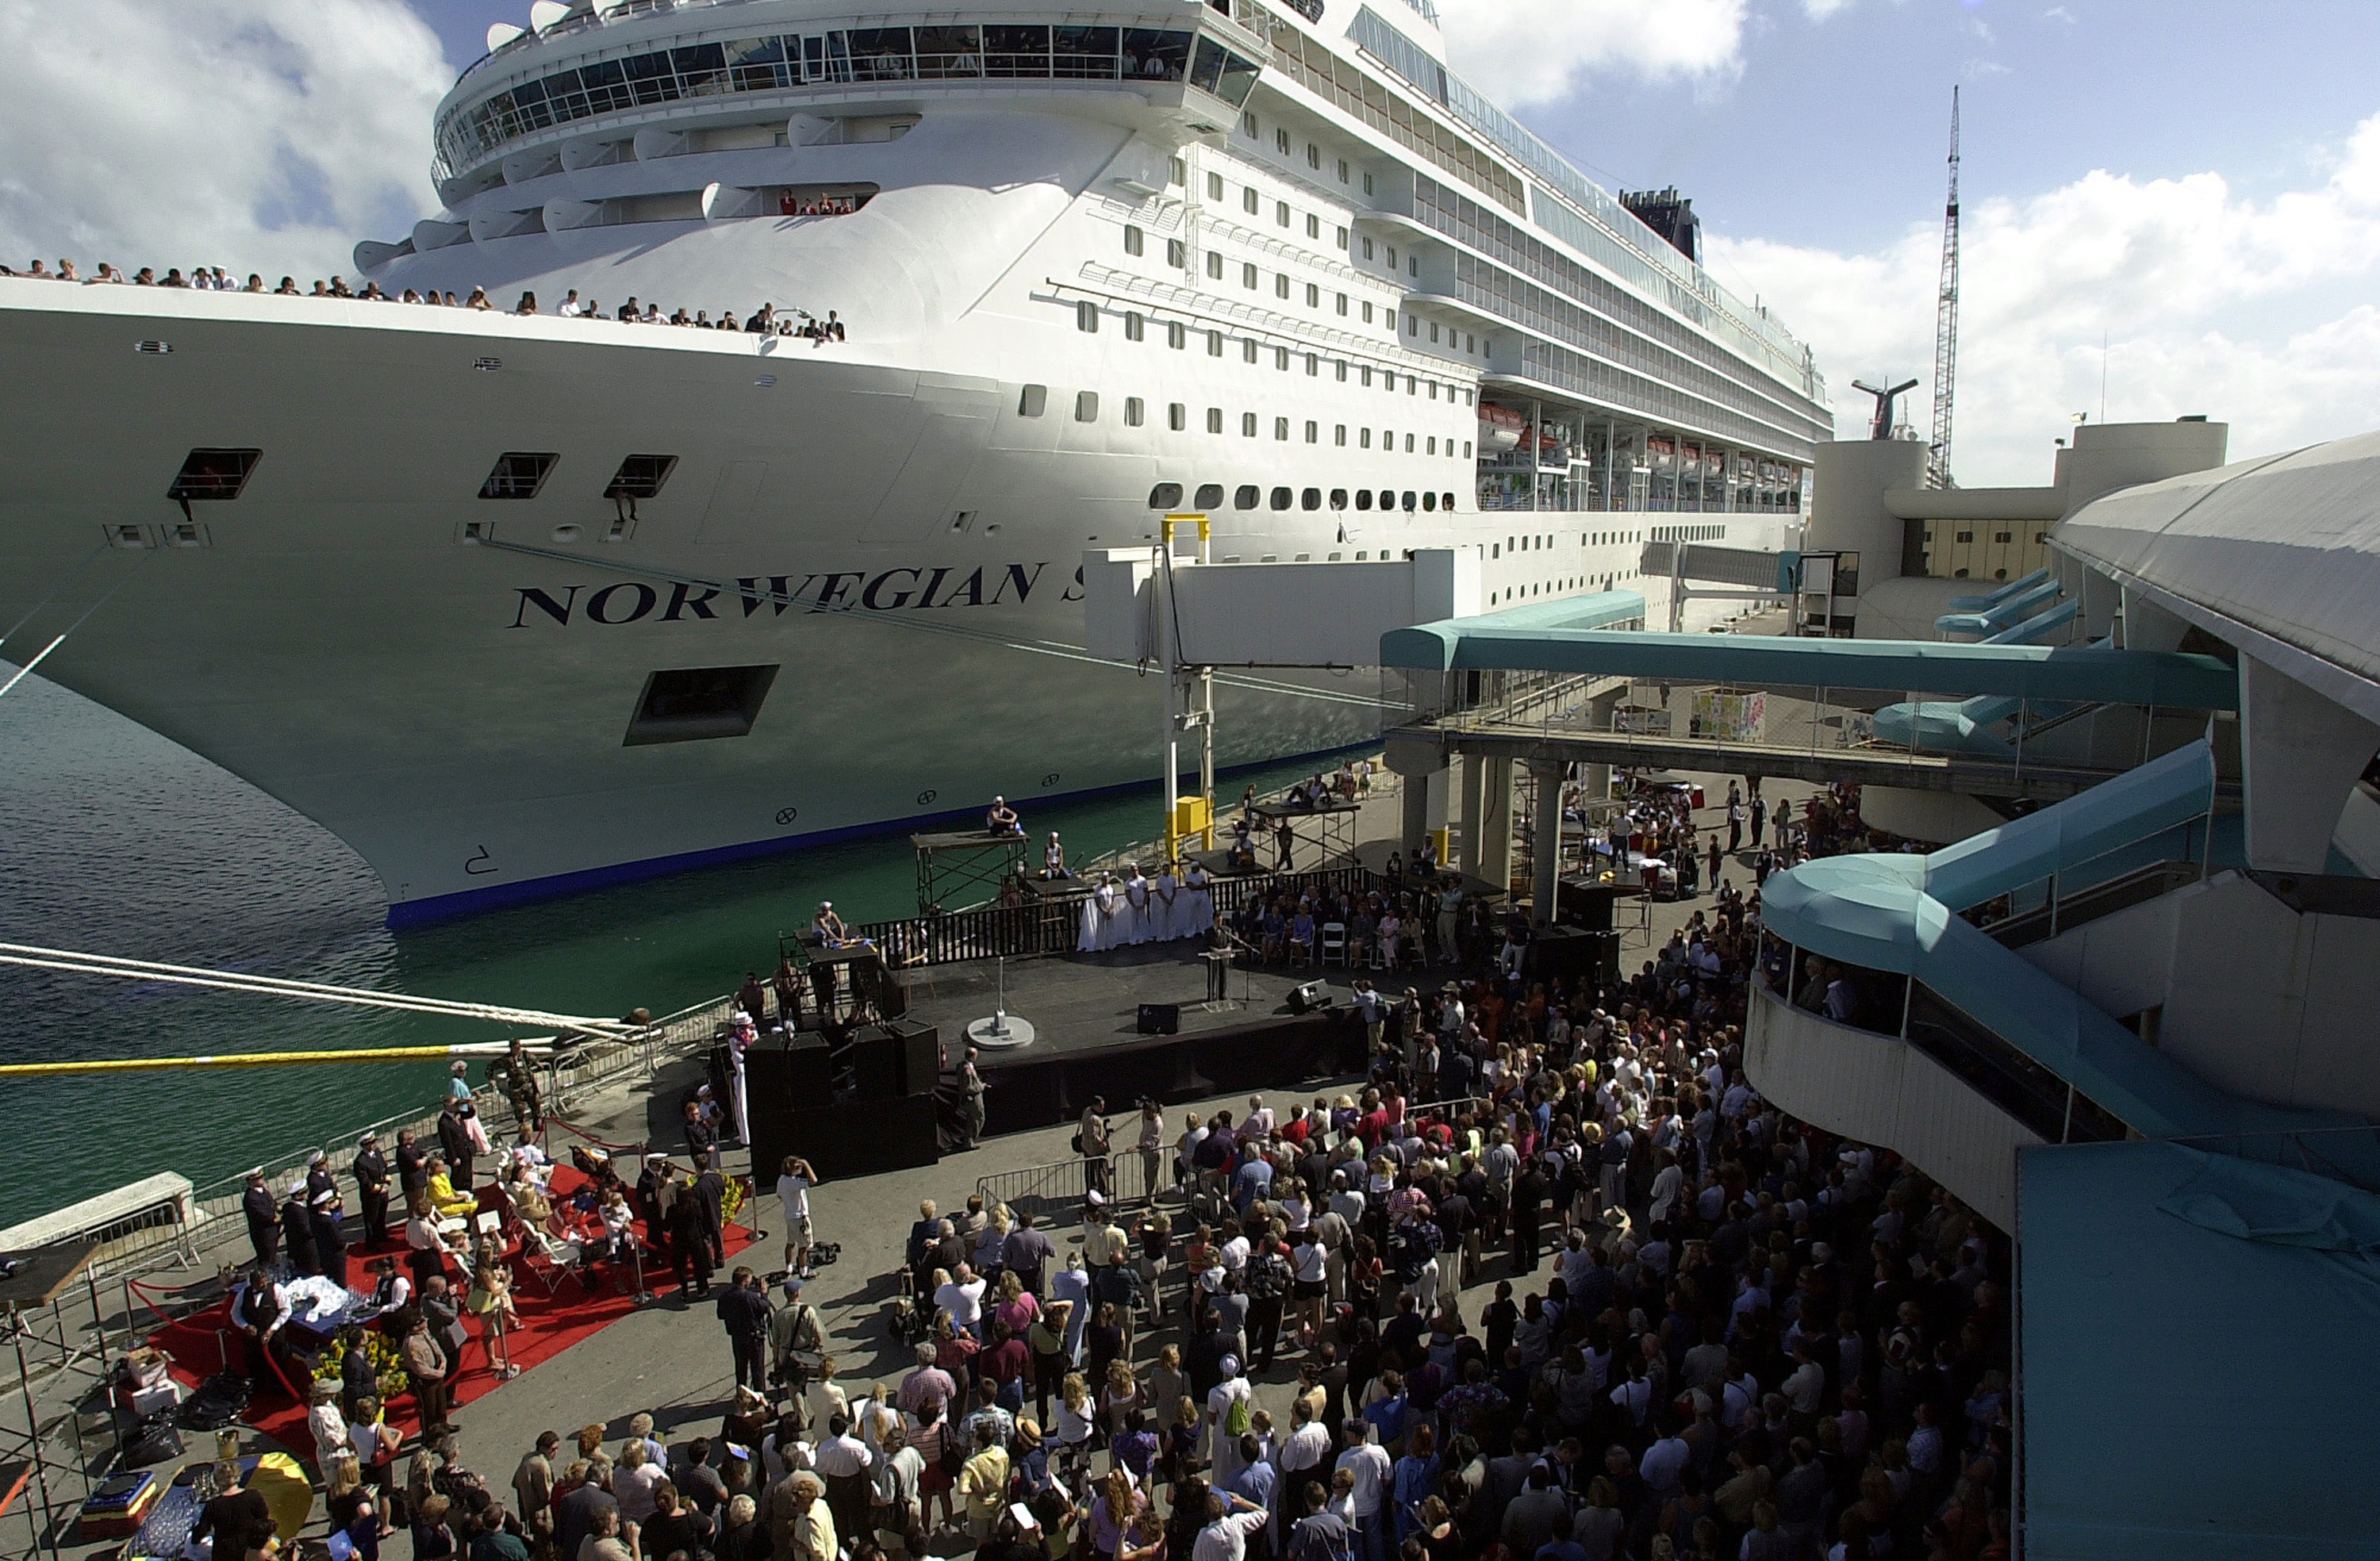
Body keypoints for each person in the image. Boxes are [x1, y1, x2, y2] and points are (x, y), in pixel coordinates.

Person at [718, 1266, 774, 1393]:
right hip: (754, 1337)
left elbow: (721, 1314)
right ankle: (759, 1396)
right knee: (757, 1369)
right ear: (744, 1280)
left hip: (737, 1337)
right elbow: (764, 1308)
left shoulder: (725, 1297)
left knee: (741, 1368)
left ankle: (742, 1395)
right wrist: (764, 1294)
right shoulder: (749, 1296)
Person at [778, 1155, 820, 1275]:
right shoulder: (794, 1182)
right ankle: (803, 1271)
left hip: (789, 1216)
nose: (800, 1167)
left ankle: (788, 1267)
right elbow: (814, 1180)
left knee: (790, 1242)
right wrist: (807, 1164)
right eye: (798, 1166)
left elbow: (779, 1195)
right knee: (803, 1246)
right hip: (799, 1218)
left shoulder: (782, 1180)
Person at [354, 1133, 393, 1248]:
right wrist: (377, 1188)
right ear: (365, 1145)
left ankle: (382, 1235)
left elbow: (383, 1167)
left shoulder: (377, 1153)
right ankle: (372, 1243)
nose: (374, 1144)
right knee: (372, 1220)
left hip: (383, 1191)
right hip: (371, 1195)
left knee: (382, 1215)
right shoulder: (360, 1161)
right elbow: (364, 1180)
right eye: (371, 1143)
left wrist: (386, 1177)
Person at [241, 1168, 279, 1269]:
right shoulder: (251, 1198)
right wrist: (278, 1219)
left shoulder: (263, 1191)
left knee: (273, 1255)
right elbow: (263, 1215)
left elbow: (272, 1204)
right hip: (263, 1235)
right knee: (267, 1259)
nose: (262, 1179)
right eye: (258, 1178)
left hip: (272, 1231)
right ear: (251, 1181)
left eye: (262, 1177)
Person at [1081, 1097, 1113, 1199]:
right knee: (1102, 1168)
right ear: (1095, 1105)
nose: (1103, 1108)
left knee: (1089, 1170)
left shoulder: (1086, 1111)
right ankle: (1104, 1189)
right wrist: (1103, 1143)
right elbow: (1094, 1135)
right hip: (1095, 1149)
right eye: (1100, 1106)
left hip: (1086, 1147)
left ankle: (1091, 1189)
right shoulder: (1093, 1118)